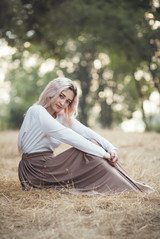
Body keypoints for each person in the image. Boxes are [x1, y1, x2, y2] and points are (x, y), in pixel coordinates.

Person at [18, 77, 154, 195]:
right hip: (34, 170)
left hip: (50, 165)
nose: (63, 103)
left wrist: (111, 149)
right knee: (88, 150)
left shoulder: (61, 117)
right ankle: (127, 188)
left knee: (93, 143)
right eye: (61, 96)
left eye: (68, 101)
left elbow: (87, 132)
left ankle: (130, 185)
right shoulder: (36, 111)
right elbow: (66, 135)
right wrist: (103, 153)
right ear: (51, 92)